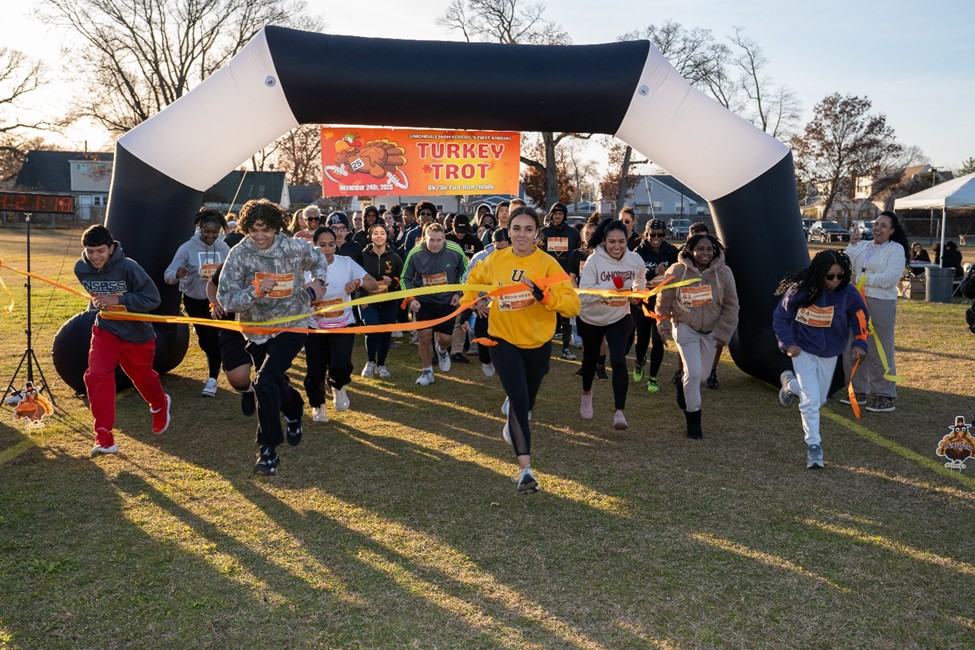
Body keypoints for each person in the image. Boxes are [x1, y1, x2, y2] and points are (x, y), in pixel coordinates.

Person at [463, 206, 581, 493]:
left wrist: (546, 297)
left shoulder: (548, 264)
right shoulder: (495, 260)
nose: (521, 235)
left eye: (528, 229)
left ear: (537, 233)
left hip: (538, 343)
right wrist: (473, 300)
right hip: (503, 340)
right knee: (518, 401)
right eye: (517, 228)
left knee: (526, 402)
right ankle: (525, 470)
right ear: (509, 230)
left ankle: (514, 417)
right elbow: (472, 281)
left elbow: (572, 304)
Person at [216, 198, 327, 476]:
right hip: (257, 329)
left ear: (277, 227)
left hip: (293, 323)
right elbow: (226, 299)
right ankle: (293, 408)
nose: (260, 236)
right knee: (274, 382)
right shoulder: (239, 254)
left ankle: (268, 451)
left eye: (265, 229)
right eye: (253, 230)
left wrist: (317, 285)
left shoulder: (294, 247)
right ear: (245, 229)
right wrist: (255, 291)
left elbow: (319, 259)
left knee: (264, 381)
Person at [74, 224, 171, 457]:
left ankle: (159, 403)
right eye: (90, 251)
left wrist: (118, 298)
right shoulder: (81, 269)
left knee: (142, 378)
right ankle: (104, 436)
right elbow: (97, 297)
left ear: (111, 248)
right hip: (106, 330)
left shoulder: (129, 267)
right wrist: (103, 303)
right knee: (96, 376)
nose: (95, 257)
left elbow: (152, 299)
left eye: (100, 251)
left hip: (137, 335)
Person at [774, 250, 869, 469]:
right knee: (811, 401)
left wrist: (860, 342)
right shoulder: (799, 291)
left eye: (840, 275)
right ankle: (814, 446)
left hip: (830, 352)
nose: (836, 281)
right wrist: (788, 343)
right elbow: (781, 318)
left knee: (819, 399)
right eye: (830, 276)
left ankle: (790, 385)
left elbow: (860, 318)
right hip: (803, 350)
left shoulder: (849, 293)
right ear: (819, 274)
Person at [656, 233, 739, 439]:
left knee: (701, 377)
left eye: (709, 249)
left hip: (711, 332)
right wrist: (664, 323)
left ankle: (680, 384)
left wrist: (723, 332)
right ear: (690, 250)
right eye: (700, 249)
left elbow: (731, 306)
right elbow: (663, 299)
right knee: (693, 373)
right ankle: (694, 422)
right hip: (685, 327)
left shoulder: (725, 273)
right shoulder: (677, 271)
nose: (705, 253)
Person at [577, 219, 647, 429]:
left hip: (619, 316)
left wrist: (637, 292)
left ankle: (619, 413)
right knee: (590, 359)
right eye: (612, 242)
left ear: (628, 241)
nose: (617, 246)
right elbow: (584, 296)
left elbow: (640, 276)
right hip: (591, 318)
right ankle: (587, 394)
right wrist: (611, 287)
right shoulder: (593, 262)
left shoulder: (635, 260)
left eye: (621, 242)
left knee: (618, 360)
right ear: (604, 241)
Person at [304, 226, 379, 422]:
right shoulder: (304, 269)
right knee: (315, 370)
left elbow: (374, 284)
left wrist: (358, 283)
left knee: (341, 364)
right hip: (314, 327)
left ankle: (338, 386)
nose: (327, 249)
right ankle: (318, 405)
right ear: (314, 246)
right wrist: (310, 296)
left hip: (343, 324)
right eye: (322, 245)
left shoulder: (346, 263)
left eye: (331, 245)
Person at [842, 210, 909, 413]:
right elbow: (846, 264)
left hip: (881, 303)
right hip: (856, 302)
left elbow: (890, 279)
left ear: (892, 230)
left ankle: (884, 395)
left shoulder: (895, 249)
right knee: (853, 344)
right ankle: (858, 390)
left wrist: (862, 280)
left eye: (883, 225)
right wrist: (852, 245)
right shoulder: (864, 246)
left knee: (879, 348)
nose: (878, 228)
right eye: (877, 224)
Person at [163, 207, 230, 397]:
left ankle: (212, 379)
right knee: (205, 340)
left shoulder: (224, 248)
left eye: (214, 232)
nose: (210, 236)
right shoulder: (186, 249)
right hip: (194, 300)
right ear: (199, 229)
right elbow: (167, 275)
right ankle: (216, 363)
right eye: (206, 231)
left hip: (217, 300)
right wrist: (178, 273)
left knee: (215, 338)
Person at [401, 222, 468, 386]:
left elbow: (465, 272)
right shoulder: (415, 253)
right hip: (424, 302)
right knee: (424, 337)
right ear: (425, 238)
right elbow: (405, 278)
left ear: (444, 238)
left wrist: (458, 293)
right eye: (431, 240)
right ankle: (427, 371)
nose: (435, 244)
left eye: (439, 240)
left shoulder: (455, 250)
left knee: (445, 339)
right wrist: (412, 299)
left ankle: (442, 350)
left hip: (447, 301)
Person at [631, 218, 680, 393]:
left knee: (659, 340)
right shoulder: (638, 253)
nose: (656, 238)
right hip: (644, 304)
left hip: (664, 304)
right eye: (652, 234)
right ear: (646, 233)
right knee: (643, 341)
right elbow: (634, 278)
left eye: (660, 234)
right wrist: (653, 272)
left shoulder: (671, 251)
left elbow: (680, 271)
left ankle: (653, 378)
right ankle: (639, 362)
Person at [464, 227, 511, 376]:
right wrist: (477, 302)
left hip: (508, 305)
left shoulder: (518, 257)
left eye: (506, 248)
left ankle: (505, 364)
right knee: (482, 336)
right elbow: (467, 282)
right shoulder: (480, 258)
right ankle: (485, 359)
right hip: (484, 305)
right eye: (498, 247)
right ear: (492, 243)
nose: (502, 251)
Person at [359, 223, 403, 379]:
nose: (379, 236)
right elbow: (355, 278)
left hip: (388, 301)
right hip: (367, 300)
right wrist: (361, 298)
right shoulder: (362, 256)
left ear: (387, 236)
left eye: (382, 233)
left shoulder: (395, 257)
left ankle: (381, 365)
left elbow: (401, 279)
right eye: (375, 233)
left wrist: (393, 282)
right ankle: (370, 361)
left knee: (385, 333)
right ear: (370, 236)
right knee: (372, 329)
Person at [539, 201, 581, 361]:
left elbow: (577, 253)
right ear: (550, 215)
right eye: (555, 214)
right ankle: (543, 345)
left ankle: (565, 347)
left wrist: (575, 273)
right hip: (547, 278)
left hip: (565, 278)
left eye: (560, 214)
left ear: (564, 215)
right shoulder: (544, 232)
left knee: (565, 314)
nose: (557, 217)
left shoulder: (573, 233)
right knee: (546, 312)